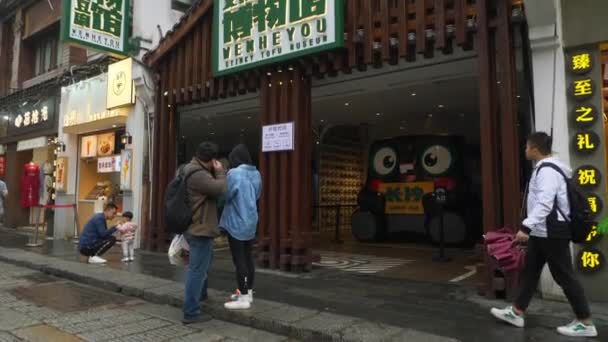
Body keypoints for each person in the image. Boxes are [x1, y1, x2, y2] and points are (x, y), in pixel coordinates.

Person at [491, 132, 597, 338]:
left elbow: (545, 203)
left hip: (552, 232)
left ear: (535, 149)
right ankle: (516, 312)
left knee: (564, 275)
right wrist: (532, 228)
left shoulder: (547, 171)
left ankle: (585, 322)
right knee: (530, 272)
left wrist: (526, 227)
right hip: (543, 232)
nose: (525, 150)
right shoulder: (546, 168)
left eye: (526, 147)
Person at [182, 142, 226, 324]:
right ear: (212, 159)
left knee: (201, 267)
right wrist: (221, 172)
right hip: (199, 228)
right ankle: (191, 311)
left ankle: (201, 295)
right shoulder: (198, 174)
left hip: (194, 225)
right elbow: (221, 189)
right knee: (197, 270)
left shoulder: (189, 169)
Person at [220, 144, 262, 310]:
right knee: (248, 257)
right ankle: (248, 292)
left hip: (236, 221)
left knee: (239, 260)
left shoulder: (234, 173)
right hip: (251, 220)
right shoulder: (256, 173)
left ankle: (243, 297)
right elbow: (257, 194)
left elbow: (226, 194)